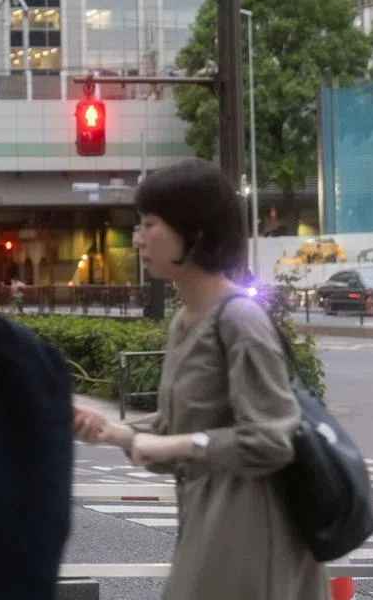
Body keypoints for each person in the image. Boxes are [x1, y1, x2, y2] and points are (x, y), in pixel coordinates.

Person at [73, 159, 327, 600]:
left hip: (254, 535)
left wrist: (172, 444)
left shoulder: (240, 321)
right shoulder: (187, 321)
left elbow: (272, 440)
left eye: (150, 224)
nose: (138, 239)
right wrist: (113, 432)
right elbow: (177, 431)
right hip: (207, 522)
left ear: (195, 232)